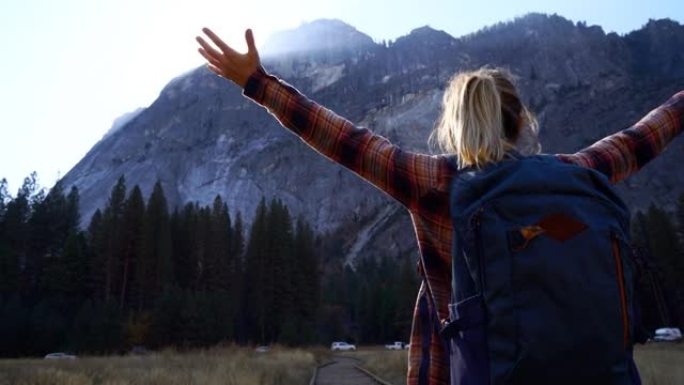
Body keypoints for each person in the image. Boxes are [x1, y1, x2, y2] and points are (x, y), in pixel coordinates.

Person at [195, 28, 684, 385]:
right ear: (522, 122)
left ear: (452, 127)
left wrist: (259, 82)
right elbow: (643, 137)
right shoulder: (581, 173)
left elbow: (345, 140)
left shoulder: (436, 184)